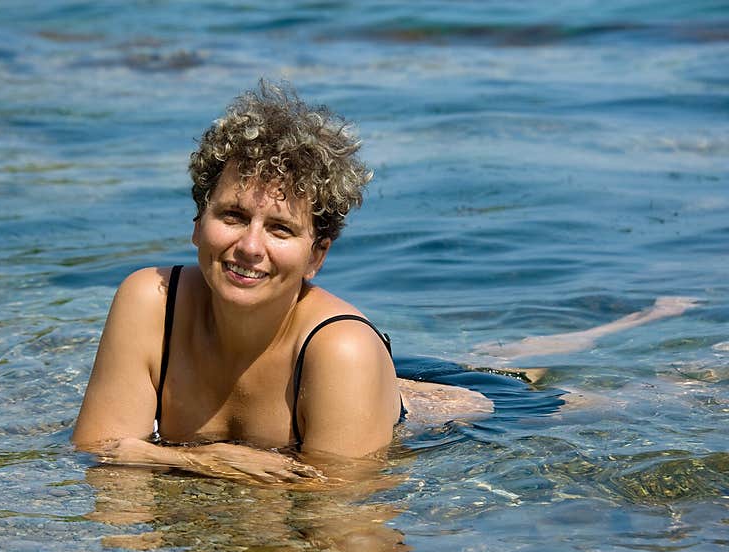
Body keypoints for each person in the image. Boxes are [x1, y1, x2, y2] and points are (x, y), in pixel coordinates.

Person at [72, 80, 697, 485]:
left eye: (281, 229)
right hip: (364, 383)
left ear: (317, 254)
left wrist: (164, 458)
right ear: (197, 221)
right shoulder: (149, 300)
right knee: (495, 360)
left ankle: (675, 350)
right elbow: (96, 447)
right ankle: (636, 317)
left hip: (464, 412)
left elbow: (334, 505)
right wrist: (204, 460)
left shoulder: (342, 348)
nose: (249, 246)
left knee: (589, 398)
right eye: (232, 215)